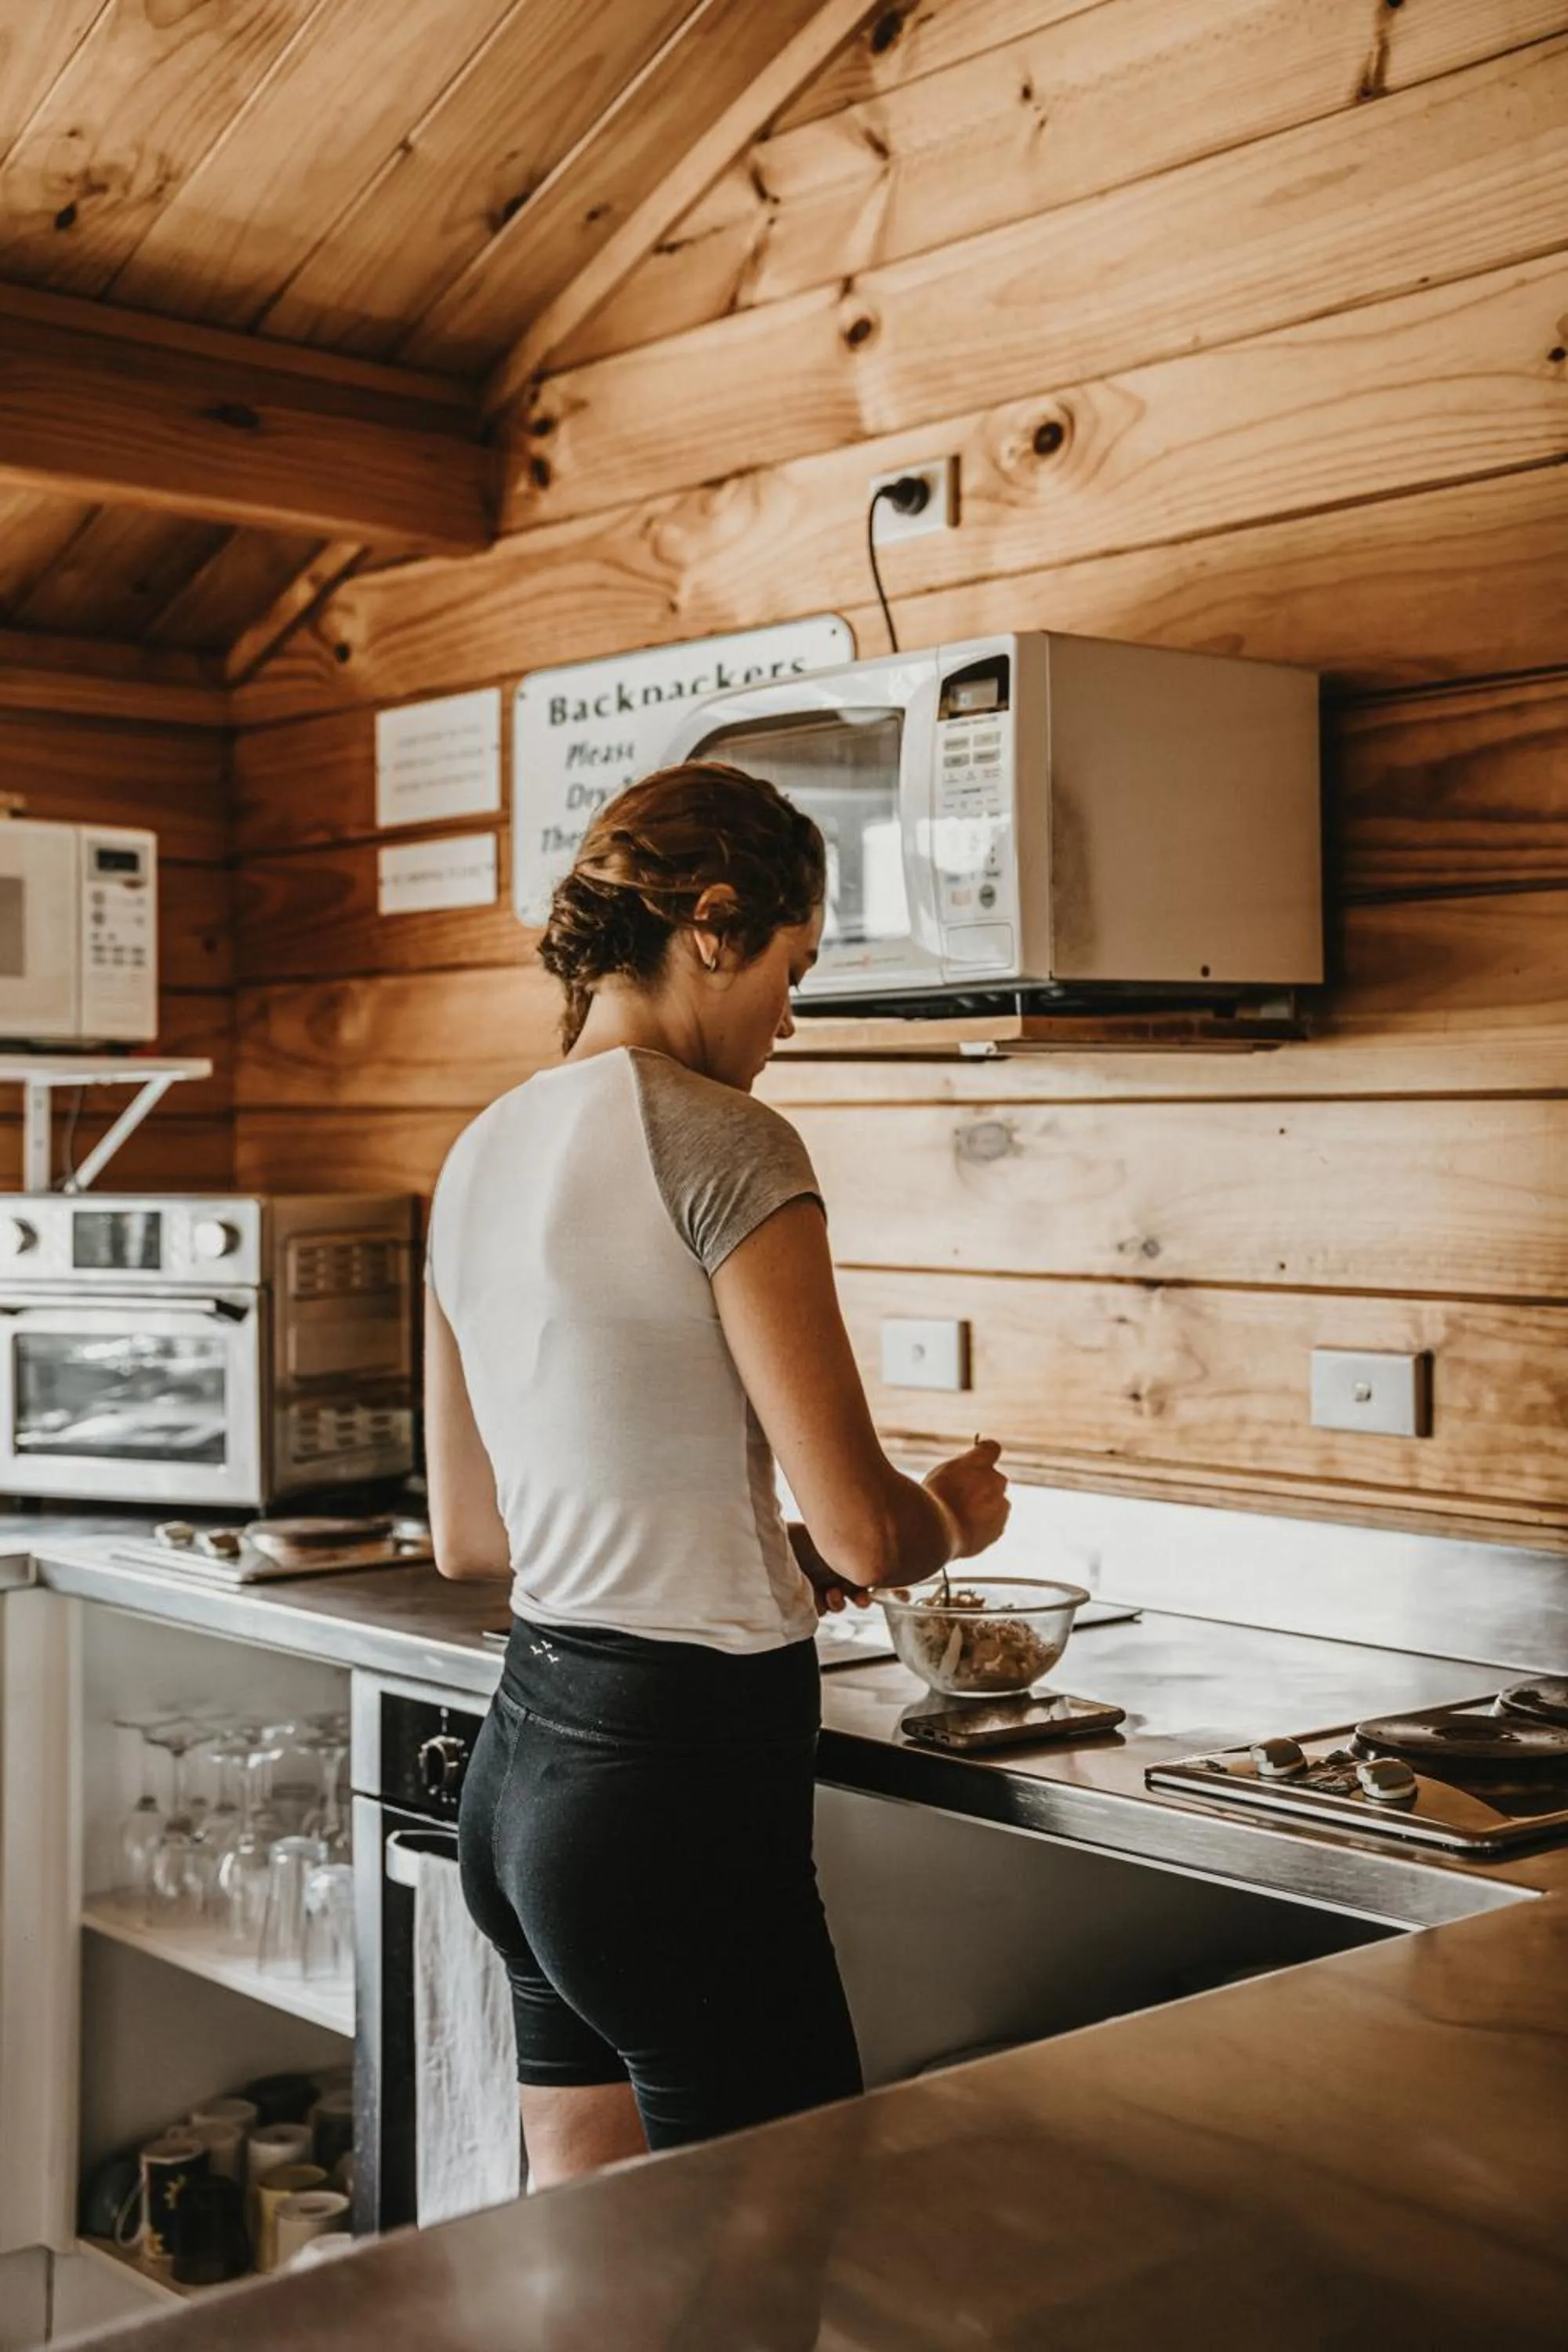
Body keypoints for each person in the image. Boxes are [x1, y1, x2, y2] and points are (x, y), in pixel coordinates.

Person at [424, 760, 1010, 2190]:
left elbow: (471, 1535)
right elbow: (872, 1531)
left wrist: (787, 1563)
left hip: (525, 1779)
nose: (788, 1020)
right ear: (712, 922)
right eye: (792, 971)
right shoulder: (727, 1142)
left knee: (590, 2253)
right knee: (775, 2236)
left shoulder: (475, 1153)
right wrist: (954, 1513)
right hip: (672, 1798)